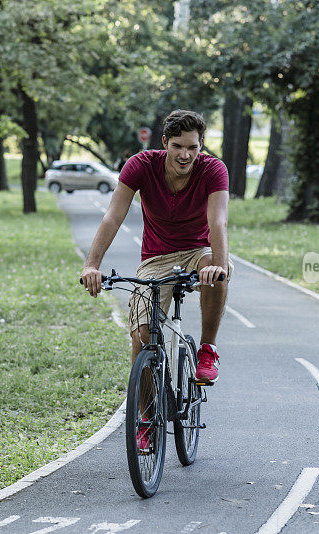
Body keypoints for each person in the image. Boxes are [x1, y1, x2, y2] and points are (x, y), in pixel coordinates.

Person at [79, 110, 233, 390]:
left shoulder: (212, 169)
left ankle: (207, 350)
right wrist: (91, 265)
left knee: (217, 267)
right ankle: (147, 423)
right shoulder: (141, 165)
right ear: (164, 142)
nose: (185, 155)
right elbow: (113, 217)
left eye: (192, 147)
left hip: (199, 252)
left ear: (201, 146)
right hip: (156, 258)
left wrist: (219, 266)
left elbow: (218, 221)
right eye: (177, 146)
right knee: (141, 336)